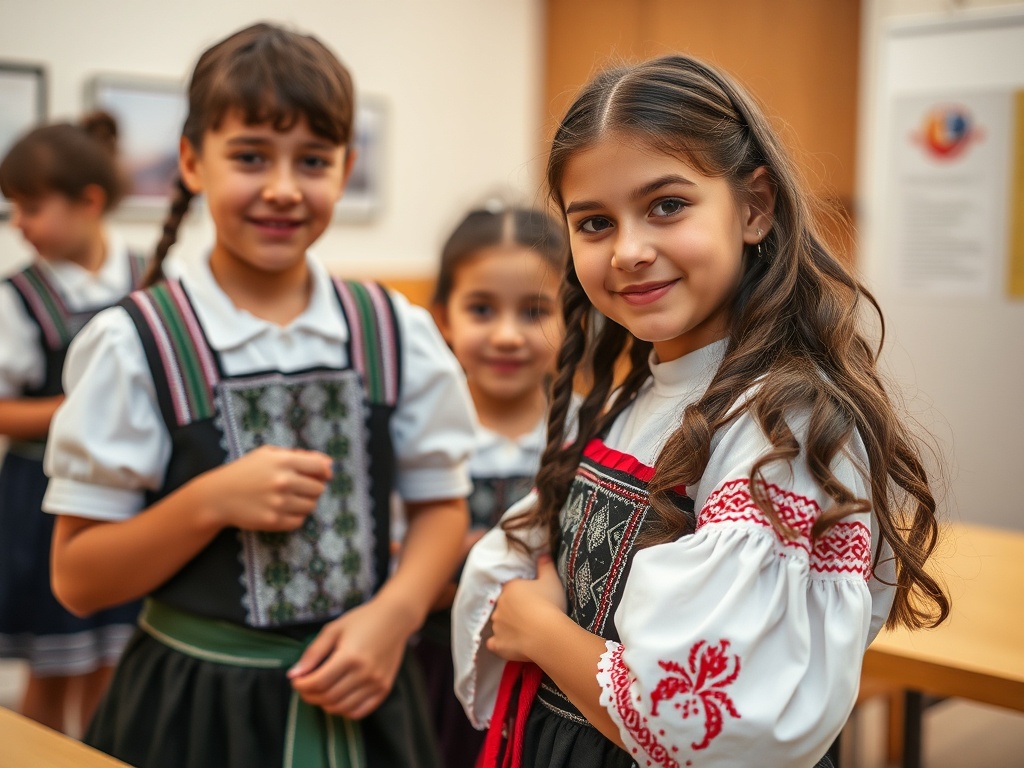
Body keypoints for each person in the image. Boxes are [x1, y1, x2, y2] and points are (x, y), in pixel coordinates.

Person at [452, 54, 950, 768]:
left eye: (666, 206)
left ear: (753, 208)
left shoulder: (784, 426)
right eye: (594, 222)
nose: (628, 251)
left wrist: (539, 628)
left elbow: (705, 721)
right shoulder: (632, 396)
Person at [42, 22, 477, 768]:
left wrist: (394, 616)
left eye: (312, 160)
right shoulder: (136, 343)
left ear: (345, 169)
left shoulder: (392, 331)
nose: (282, 188)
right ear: (191, 162)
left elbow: (442, 506)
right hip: (192, 712)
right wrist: (207, 501)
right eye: (250, 157)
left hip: (367, 696)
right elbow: (78, 578)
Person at [0, 111, 145, 734]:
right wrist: (84, 408)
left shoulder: (148, 277)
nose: (19, 224)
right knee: (50, 668)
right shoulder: (18, 296)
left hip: (129, 500)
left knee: (113, 665)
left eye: (30, 207)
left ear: (88, 202)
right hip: (42, 501)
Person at [414, 202, 566, 768]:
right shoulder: (421, 437)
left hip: (548, 689)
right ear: (443, 318)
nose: (507, 335)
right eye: (481, 309)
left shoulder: (586, 436)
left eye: (534, 311)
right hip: (431, 681)